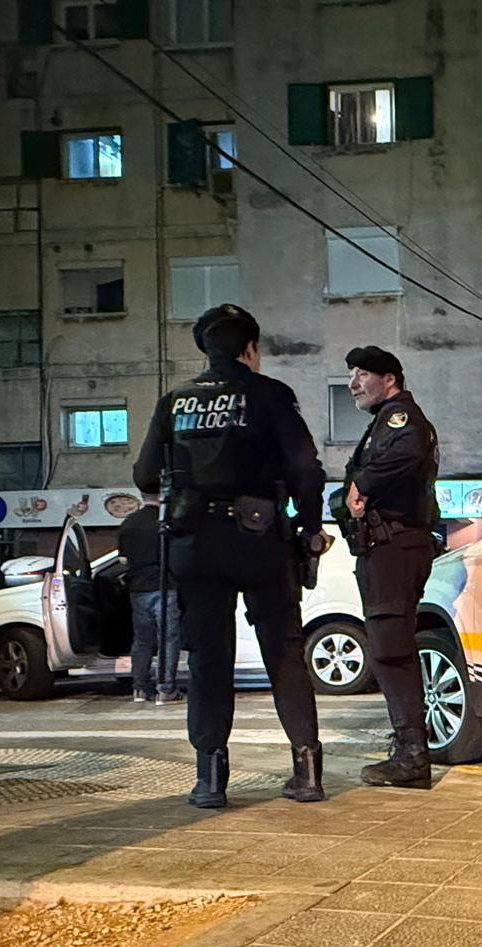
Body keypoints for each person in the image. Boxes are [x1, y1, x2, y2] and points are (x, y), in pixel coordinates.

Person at [133, 304, 332, 809]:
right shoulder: (270, 395)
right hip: (260, 539)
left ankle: (210, 781)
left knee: (206, 660)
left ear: (205, 349)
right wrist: (309, 527)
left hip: (196, 544)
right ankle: (307, 772)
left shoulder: (174, 401)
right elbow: (306, 468)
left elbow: (144, 474)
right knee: (285, 652)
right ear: (251, 350)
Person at [340, 345, 441, 789]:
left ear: (390, 380)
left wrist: (363, 481)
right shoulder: (384, 421)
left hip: (394, 546)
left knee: (391, 651)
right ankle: (408, 748)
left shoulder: (401, 418)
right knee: (389, 647)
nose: (353, 383)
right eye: (352, 374)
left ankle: (412, 756)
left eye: (362, 374)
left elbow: (409, 454)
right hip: (388, 546)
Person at [117, 496, 184, 704]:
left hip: (138, 589)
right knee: (167, 638)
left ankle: (140, 689)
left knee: (142, 640)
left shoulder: (128, 523)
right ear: (162, 496)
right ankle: (166, 690)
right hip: (166, 587)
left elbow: (123, 560)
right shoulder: (169, 521)